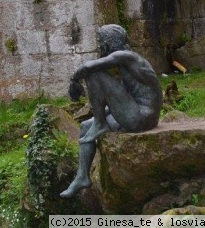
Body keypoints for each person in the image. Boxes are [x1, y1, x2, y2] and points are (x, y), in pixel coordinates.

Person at [60, 24, 162, 199]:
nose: (99, 46)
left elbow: (88, 67)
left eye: (100, 42)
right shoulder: (127, 62)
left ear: (108, 43)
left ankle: (100, 124)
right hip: (139, 115)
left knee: (94, 74)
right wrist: (106, 112)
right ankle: (82, 176)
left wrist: (74, 80)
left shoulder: (125, 56)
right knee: (85, 126)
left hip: (141, 117)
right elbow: (122, 99)